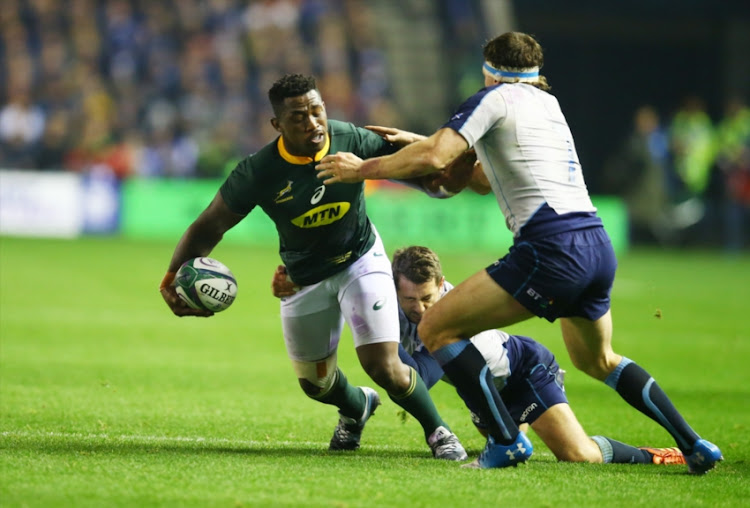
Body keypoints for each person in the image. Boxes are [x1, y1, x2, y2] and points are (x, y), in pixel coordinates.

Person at [314, 32, 722, 473]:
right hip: (597, 244)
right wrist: (418, 142)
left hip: (549, 246)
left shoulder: (493, 99)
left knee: (435, 326)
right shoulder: (549, 106)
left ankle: (506, 441)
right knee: (597, 359)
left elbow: (436, 157)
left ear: (489, 69)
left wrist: (363, 169)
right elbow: (482, 176)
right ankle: (694, 445)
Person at [159, 74, 467, 461]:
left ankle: (439, 431)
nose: (313, 123)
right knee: (316, 385)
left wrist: (439, 174)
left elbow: (421, 171)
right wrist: (172, 277)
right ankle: (356, 407)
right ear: (278, 125)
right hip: (302, 278)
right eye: (299, 116)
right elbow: (210, 225)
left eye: (316, 110)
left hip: (360, 259)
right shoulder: (259, 172)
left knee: (383, 365)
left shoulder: (352, 139)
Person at [274, 245, 687, 467]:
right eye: (409, 299)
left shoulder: (447, 317)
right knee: (509, 445)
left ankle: (657, 455)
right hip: (485, 389)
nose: (419, 309)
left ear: (442, 286)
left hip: (525, 369)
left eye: (428, 297)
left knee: (577, 455)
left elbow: (421, 374)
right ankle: (507, 430)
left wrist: (377, 353)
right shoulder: (393, 304)